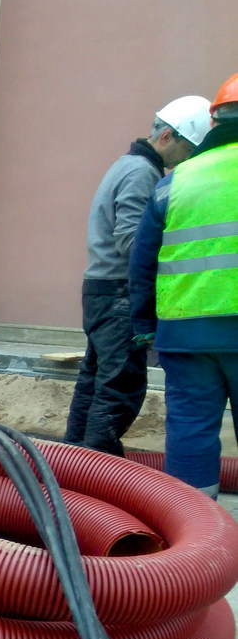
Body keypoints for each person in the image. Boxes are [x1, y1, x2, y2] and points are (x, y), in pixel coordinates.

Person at [65, 96, 212, 455]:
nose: (187, 159)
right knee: (120, 388)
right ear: (167, 137)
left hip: (102, 290)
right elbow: (131, 242)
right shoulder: (142, 173)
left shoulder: (127, 165)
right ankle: (97, 467)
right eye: (187, 149)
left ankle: (71, 460)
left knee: (95, 382)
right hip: (118, 294)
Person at [129, 74, 238, 496]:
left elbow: (143, 261)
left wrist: (144, 326)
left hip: (184, 335)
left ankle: (195, 529)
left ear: (215, 122)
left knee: (190, 430)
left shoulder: (174, 181)